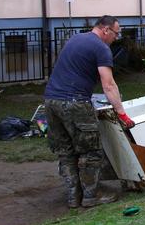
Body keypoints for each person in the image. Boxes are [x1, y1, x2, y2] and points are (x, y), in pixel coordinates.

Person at [44, 15, 135, 208]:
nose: (116, 38)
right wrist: (121, 113)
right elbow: (109, 85)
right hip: (74, 103)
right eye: (115, 33)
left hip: (51, 101)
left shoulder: (76, 38)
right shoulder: (101, 48)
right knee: (91, 151)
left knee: (66, 151)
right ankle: (92, 195)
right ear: (105, 30)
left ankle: (73, 197)